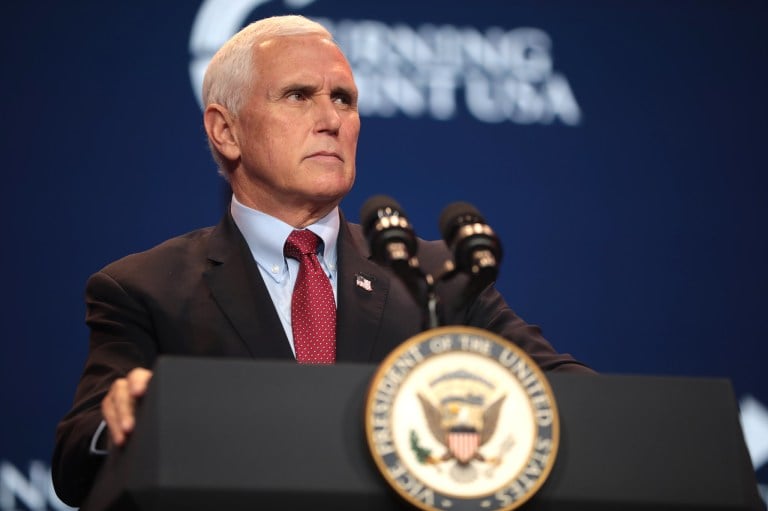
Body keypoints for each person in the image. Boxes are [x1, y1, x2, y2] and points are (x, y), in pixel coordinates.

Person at [51, 14, 594, 507]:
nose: (331, 119)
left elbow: (571, 396)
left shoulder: (436, 279)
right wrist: (124, 418)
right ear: (226, 130)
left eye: (344, 99)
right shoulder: (144, 289)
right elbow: (76, 460)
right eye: (298, 95)